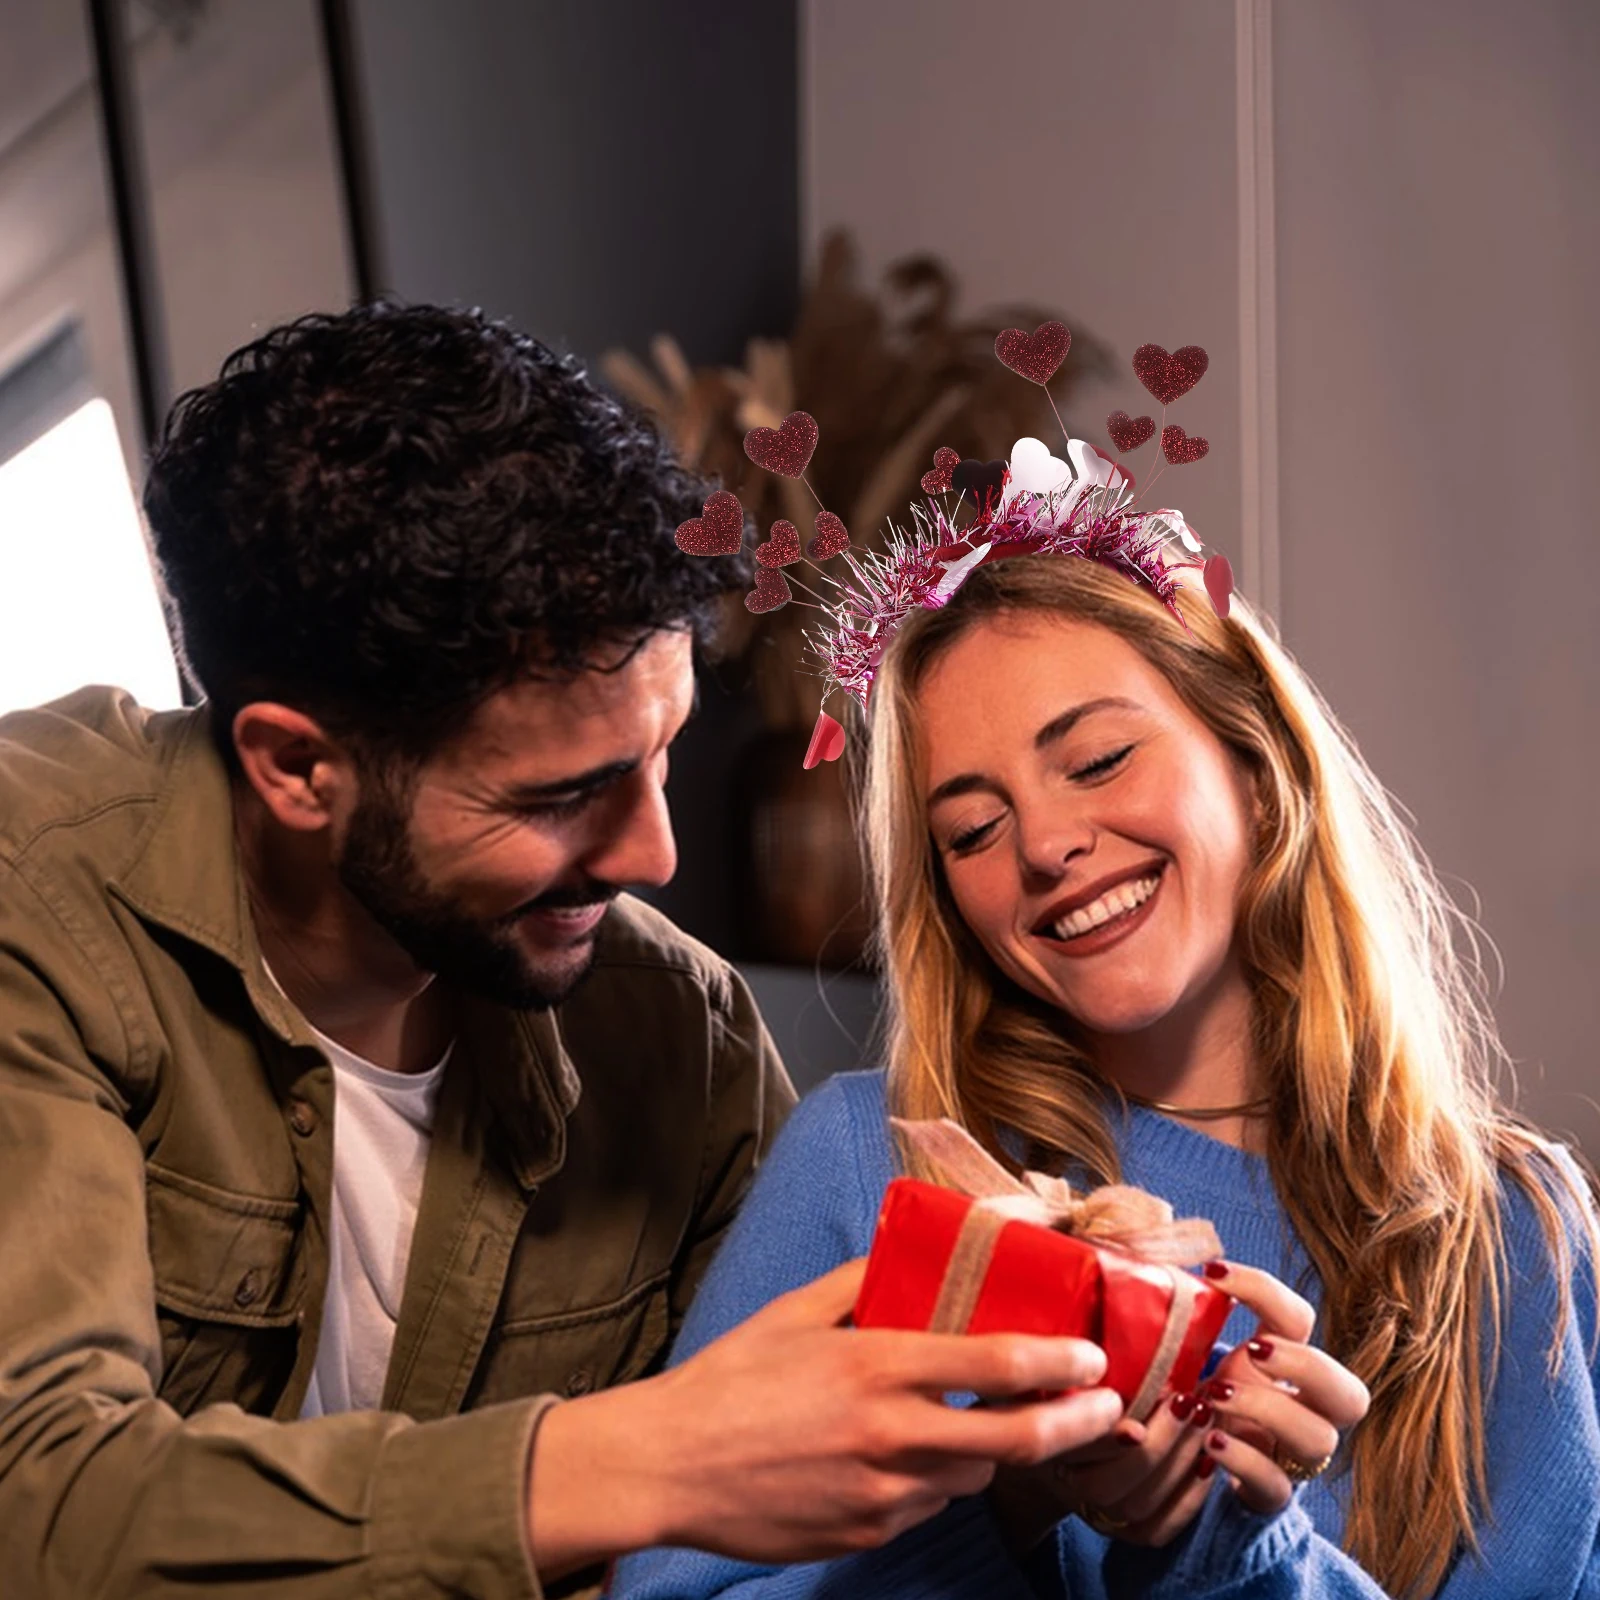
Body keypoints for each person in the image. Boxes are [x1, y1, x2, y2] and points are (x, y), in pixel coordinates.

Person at [0, 304, 1136, 1600]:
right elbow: (42, 1508)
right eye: (558, 799)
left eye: (664, 754)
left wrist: (1045, 1474)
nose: (655, 854)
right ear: (298, 768)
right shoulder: (31, 907)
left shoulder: (679, 1038)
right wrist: (645, 1459)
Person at [611, 548, 1600, 1597]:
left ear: (1256, 771)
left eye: (1096, 761)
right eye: (972, 828)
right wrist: (1009, 1503)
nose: (1043, 843)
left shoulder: (1510, 1233)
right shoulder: (867, 1165)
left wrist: (1227, 1548)